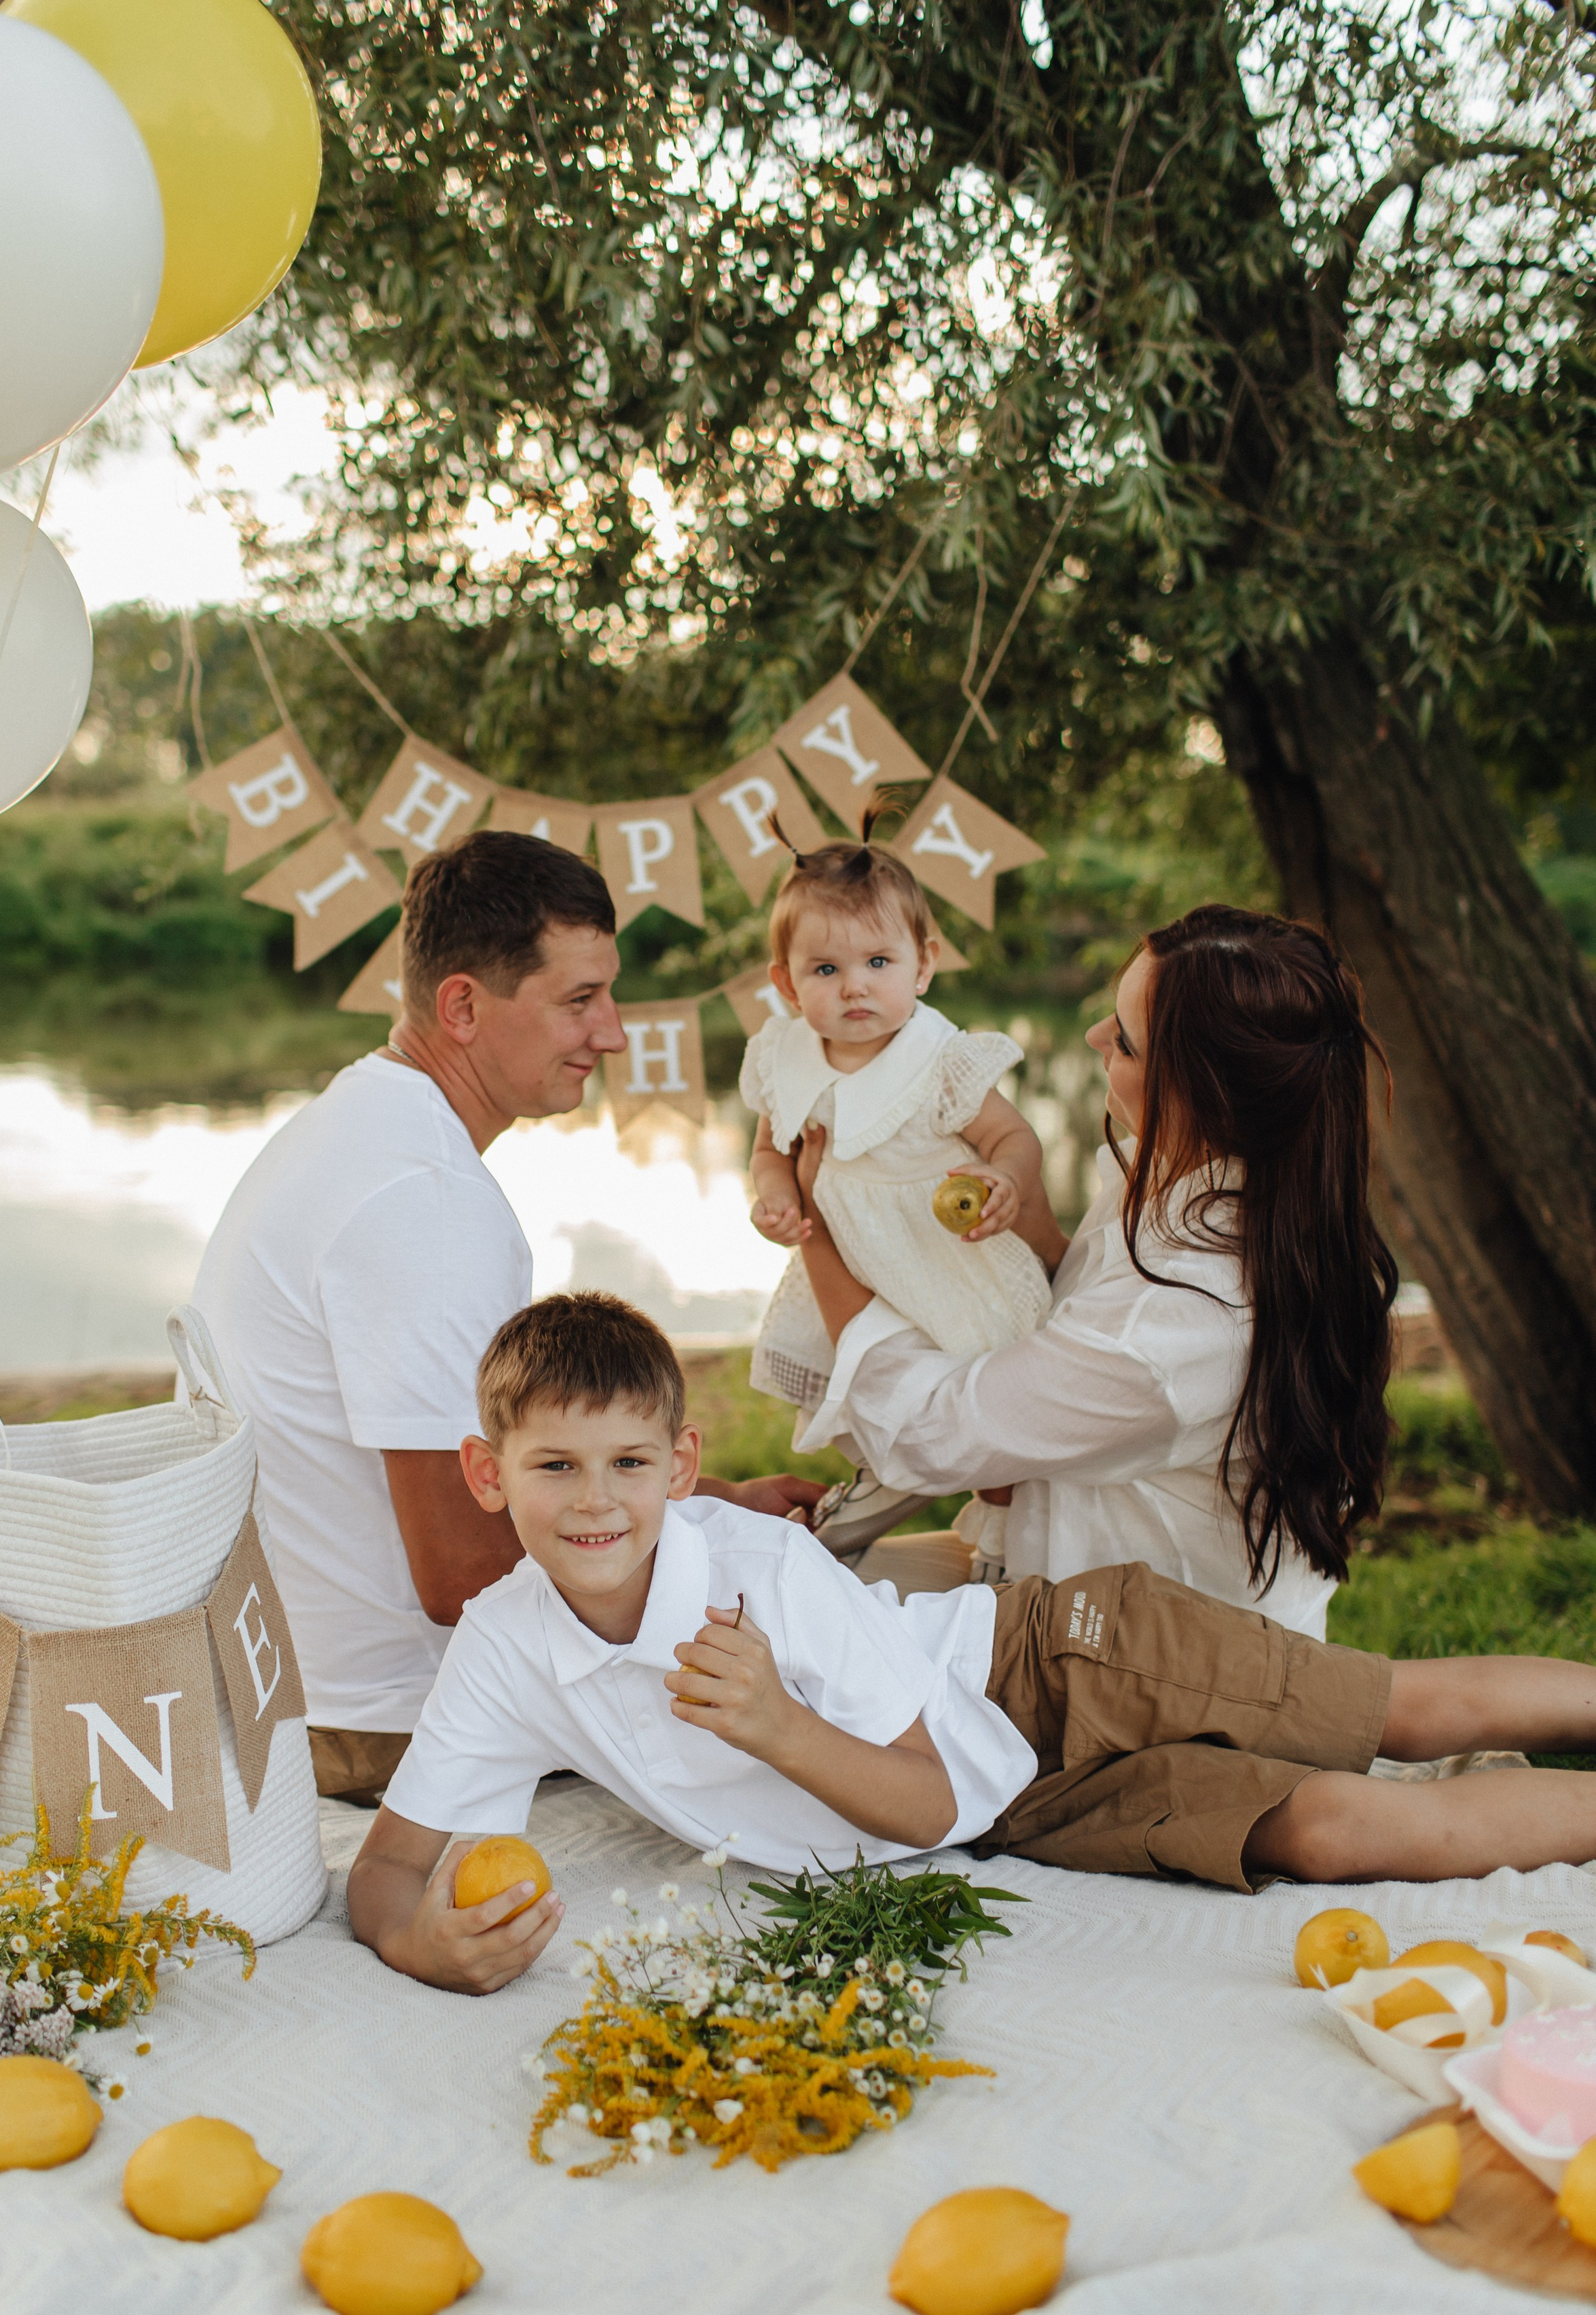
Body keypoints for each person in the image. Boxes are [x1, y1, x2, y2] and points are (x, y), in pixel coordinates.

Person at [347, 1292, 1596, 1996]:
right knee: (1328, 1832)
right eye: (552, 1467)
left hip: (1049, 1666)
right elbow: (389, 1875)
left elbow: (927, 1781)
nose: (594, 1502)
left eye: (627, 1463)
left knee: (1397, 1717)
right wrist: (426, 1943)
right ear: (486, 1475)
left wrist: (779, 1726)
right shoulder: (507, 1647)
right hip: (1013, 1808)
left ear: (682, 1469)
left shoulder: (762, 1575)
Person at [194, 833, 821, 1809]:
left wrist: (719, 1502)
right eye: (578, 1001)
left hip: (300, 1683)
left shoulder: (358, 1123)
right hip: (388, 1718)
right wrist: (713, 1539)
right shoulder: (428, 1202)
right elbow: (465, 1570)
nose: (611, 1034)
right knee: (843, 1673)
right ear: (463, 1007)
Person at [791, 905, 1396, 1639]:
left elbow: (927, 1436)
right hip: (1055, 1583)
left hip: (1136, 1661)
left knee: (773, 1620)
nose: (1094, 1037)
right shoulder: (1197, 1185)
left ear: (1201, 1088)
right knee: (764, 1576)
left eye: (1126, 1041)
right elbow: (1067, 1332)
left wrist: (816, 1223)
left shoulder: (1183, 1316)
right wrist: (1034, 1227)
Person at [740, 827, 1055, 1557]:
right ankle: (885, 1475)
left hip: (947, 1264)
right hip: (856, 1261)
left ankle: (1008, 1541)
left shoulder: (938, 1060)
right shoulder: (782, 1058)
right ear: (785, 982)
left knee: (990, 1417)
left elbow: (1014, 1138)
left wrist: (1004, 1178)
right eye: (824, 968)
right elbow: (769, 1149)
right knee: (866, 1392)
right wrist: (773, 1198)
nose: (854, 985)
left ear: (924, 965)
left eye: (878, 961)